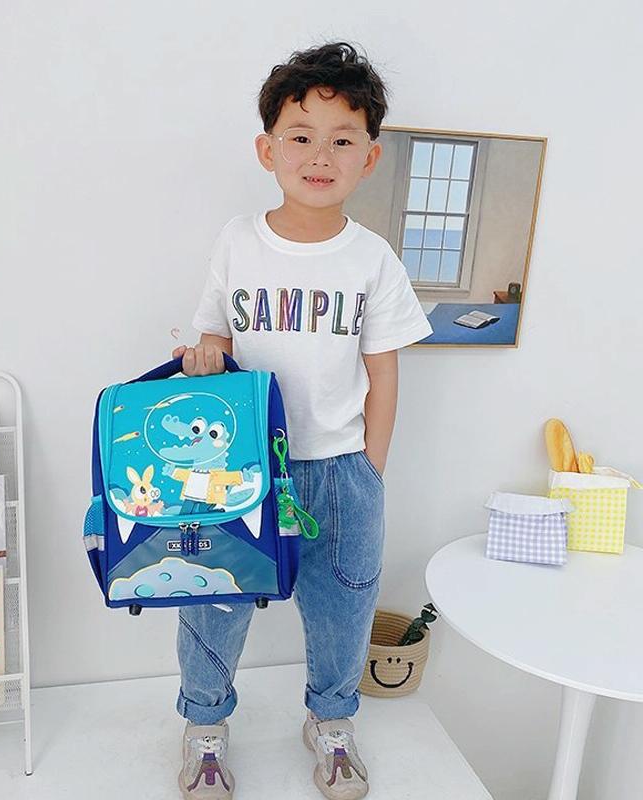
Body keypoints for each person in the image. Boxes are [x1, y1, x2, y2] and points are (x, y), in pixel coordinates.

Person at [172, 41, 433, 800]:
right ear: (268, 149)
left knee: (344, 605)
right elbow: (216, 339)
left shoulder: (373, 259)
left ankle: (331, 722)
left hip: (342, 470)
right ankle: (205, 726)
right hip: (239, 470)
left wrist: (371, 468)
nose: (321, 155)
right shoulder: (237, 240)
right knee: (214, 600)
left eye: (343, 140)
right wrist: (206, 356)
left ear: (369, 158)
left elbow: (384, 371)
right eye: (301, 136)